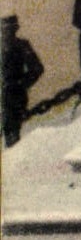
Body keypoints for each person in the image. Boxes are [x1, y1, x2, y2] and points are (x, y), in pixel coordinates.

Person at [1, 15, 44, 146]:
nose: (7, 32)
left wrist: (21, 84)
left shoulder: (21, 45)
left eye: (10, 29)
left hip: (13, 94)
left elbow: (37, 68)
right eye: (5, 29)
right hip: (8, 92)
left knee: (12, 132)